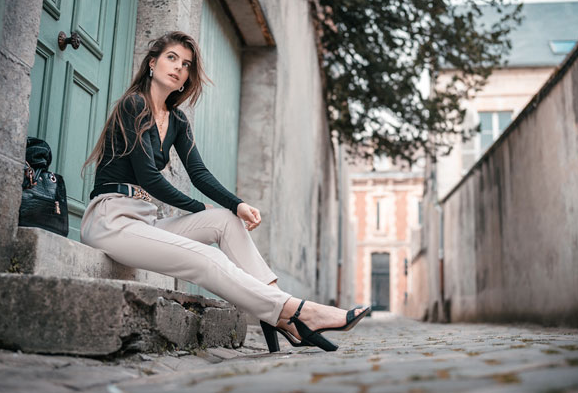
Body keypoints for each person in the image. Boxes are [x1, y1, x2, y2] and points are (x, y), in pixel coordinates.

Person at [80, 31, 369, 352]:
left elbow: (199, 173)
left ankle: (278, 312)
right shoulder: (133, 104)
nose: (178, 68)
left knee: (226, 221)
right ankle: (299, 313)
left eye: (186, 64)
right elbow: (148, 176)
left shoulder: (176, 120)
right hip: (112, 221)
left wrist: (238, 204)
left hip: (145, 223)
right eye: (171, 58)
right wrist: (196, 207)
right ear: (152, 63)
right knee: (206, 258)